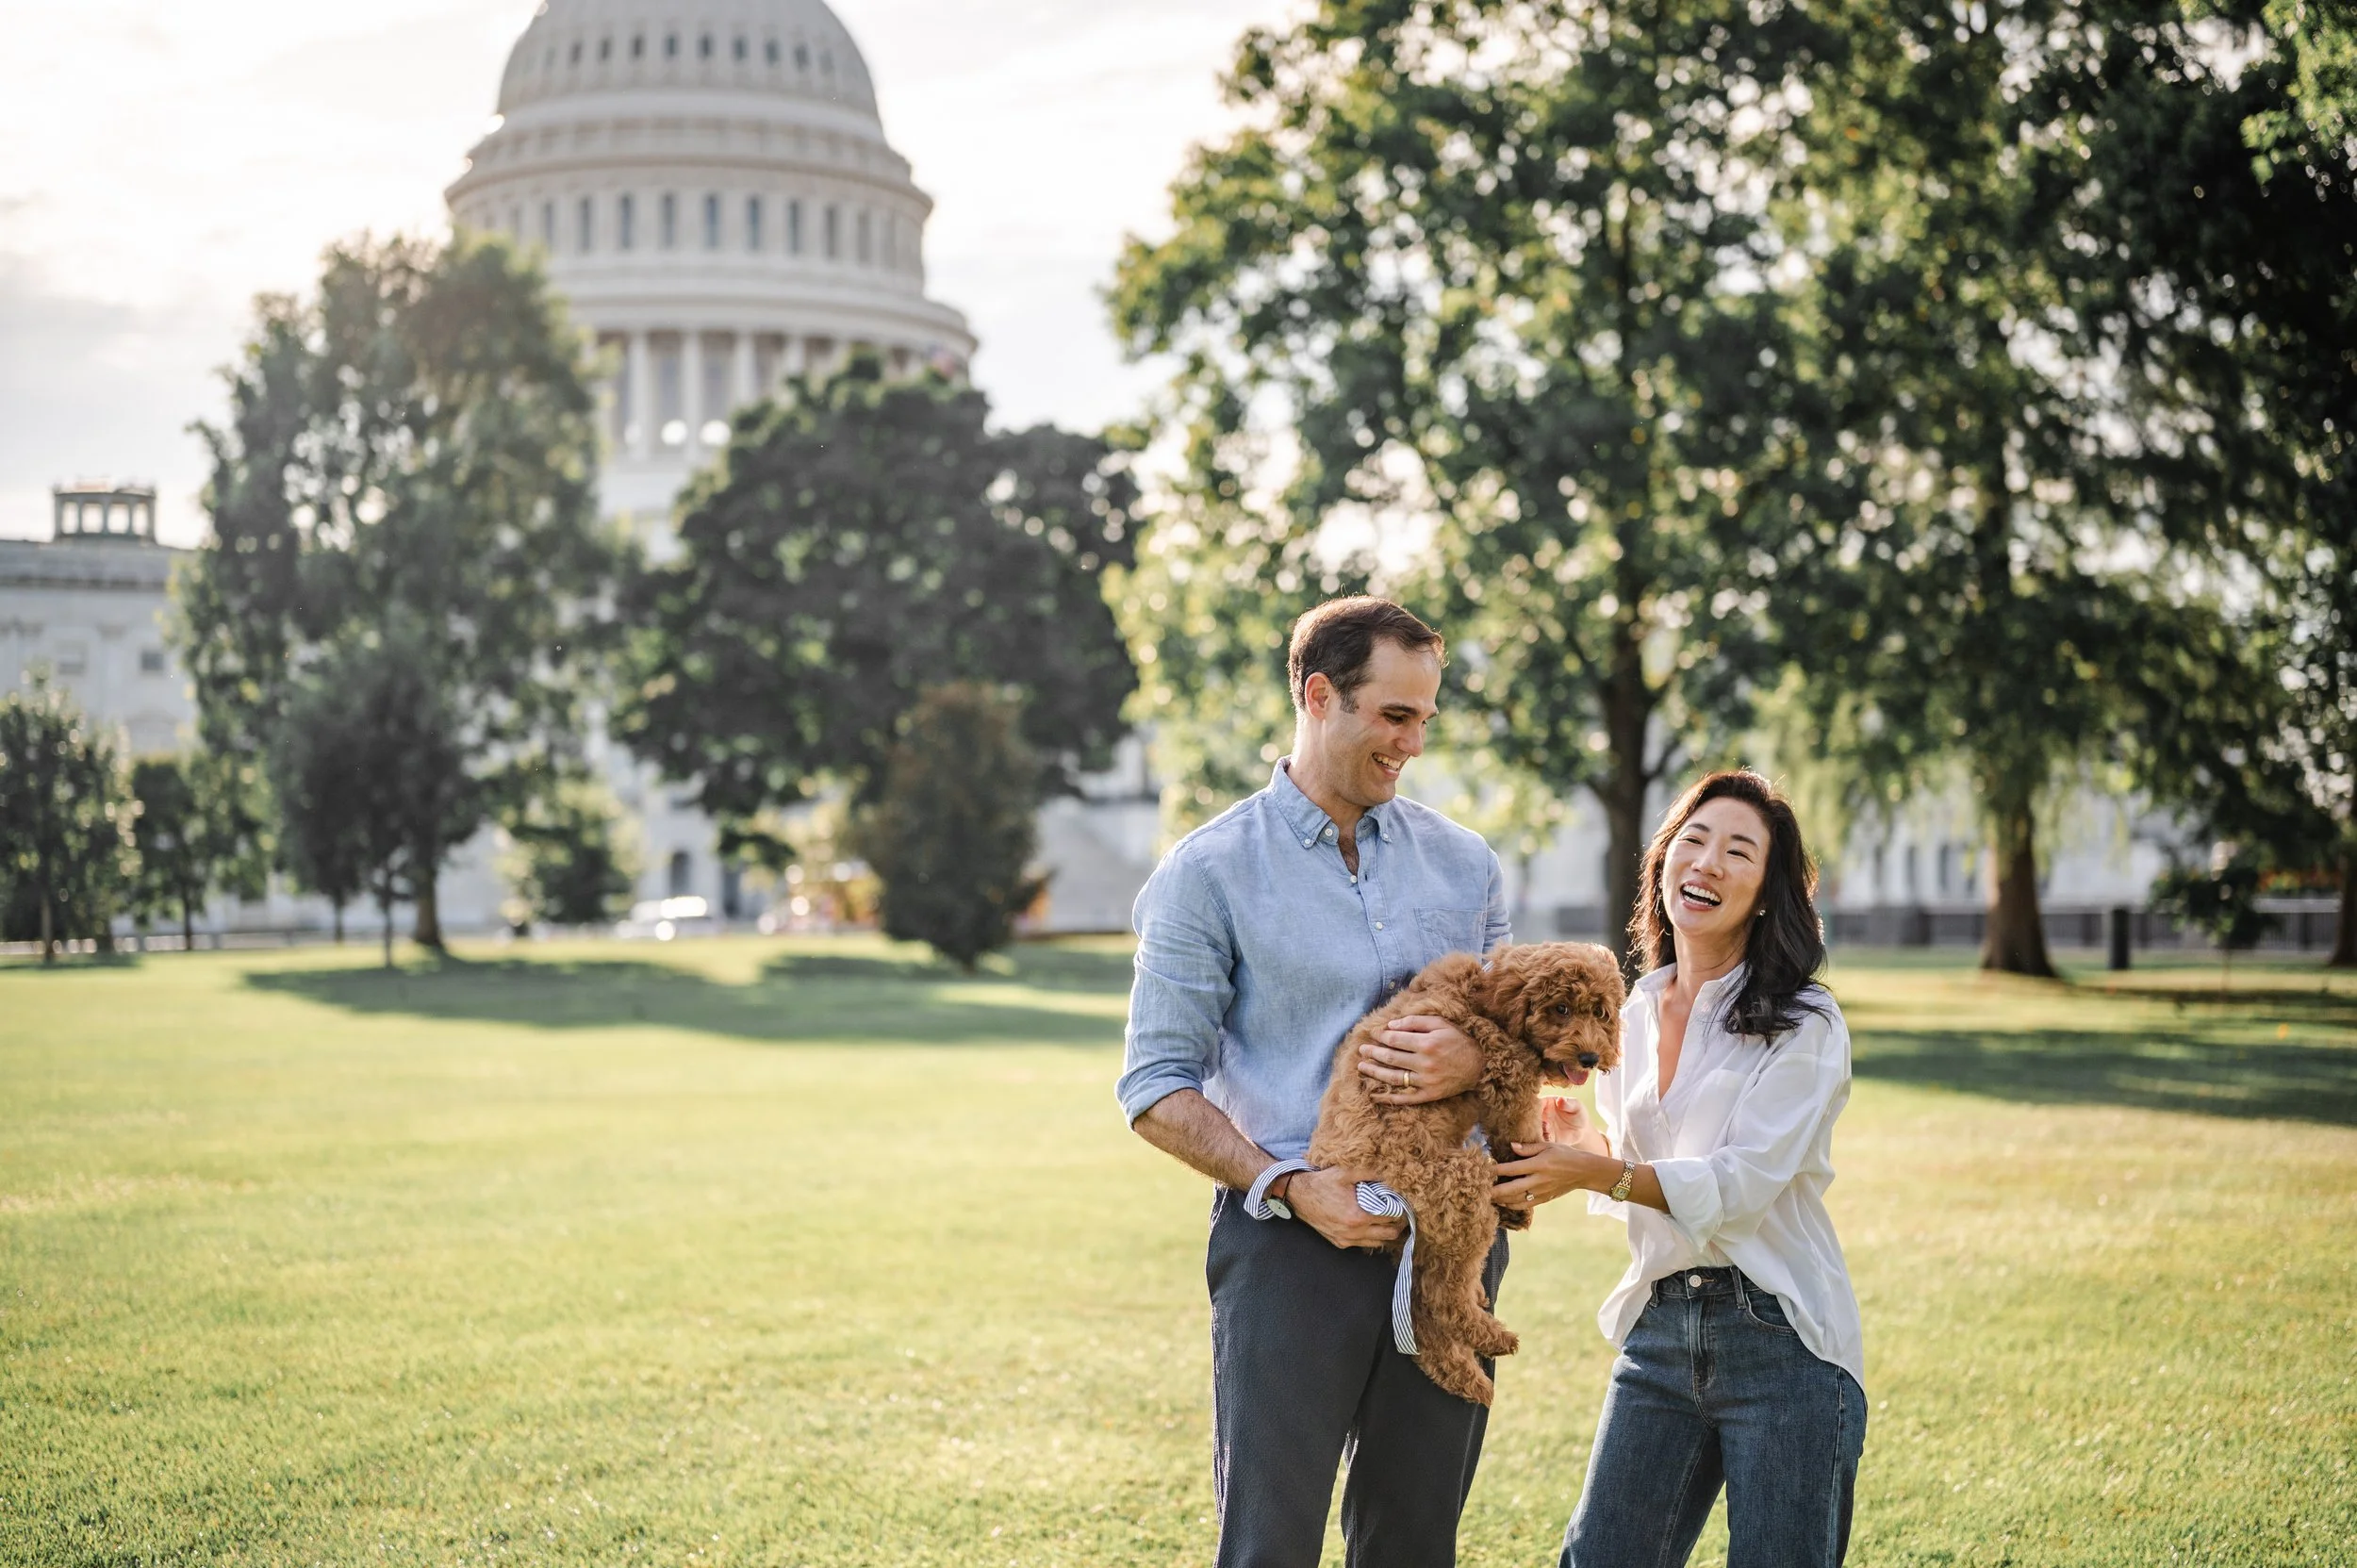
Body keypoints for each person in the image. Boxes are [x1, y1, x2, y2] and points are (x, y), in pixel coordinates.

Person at [1117, 596, 1515, 1568]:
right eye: (1393, 715)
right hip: (1288, 1252)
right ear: (1319, 694)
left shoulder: (1467, 866)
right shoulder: (1205, 873)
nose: (1412, 742)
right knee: (1270, 1547)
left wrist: (1475, 1060)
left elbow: (1521, 1038)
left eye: (1425, 717)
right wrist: (1292, 1186)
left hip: (1449, 1250)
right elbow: (1154, 1086)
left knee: (1415, 1542)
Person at [1482, 769, 1868, 1568]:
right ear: (1662, 863)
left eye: (1738, 851)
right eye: (1693, 840)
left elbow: (1736, 1187)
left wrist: (1594, 1175)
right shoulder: (1629, 1010)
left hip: (1783, 1341)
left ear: (1766, 891)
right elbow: (1644, 1175)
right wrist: (1585, 1144)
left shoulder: (1805, 1021)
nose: (1708, 862)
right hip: (1659, 1329)